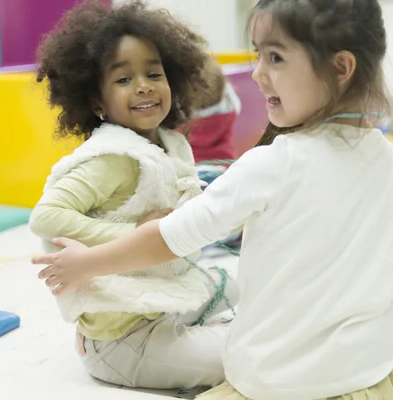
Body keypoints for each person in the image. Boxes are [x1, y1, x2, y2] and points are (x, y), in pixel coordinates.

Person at [32, 0, 393, 398]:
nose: (256, 74)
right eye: (259, 55)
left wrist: (86, 265)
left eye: (274, 58)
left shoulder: (269, 165)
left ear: (340, 67)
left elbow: (169, 238)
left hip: (273, 379)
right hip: (373, 366)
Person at [29, 0, 239, 391]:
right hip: (125, 341)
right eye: (123, 79)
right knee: (250, 356)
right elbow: (46, 216)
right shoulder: (112, 156)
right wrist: (139, 235)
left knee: (242, 283)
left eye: (154, 73)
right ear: (95, 102)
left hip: (161, 302)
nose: (143, 85)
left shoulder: (169, 144)